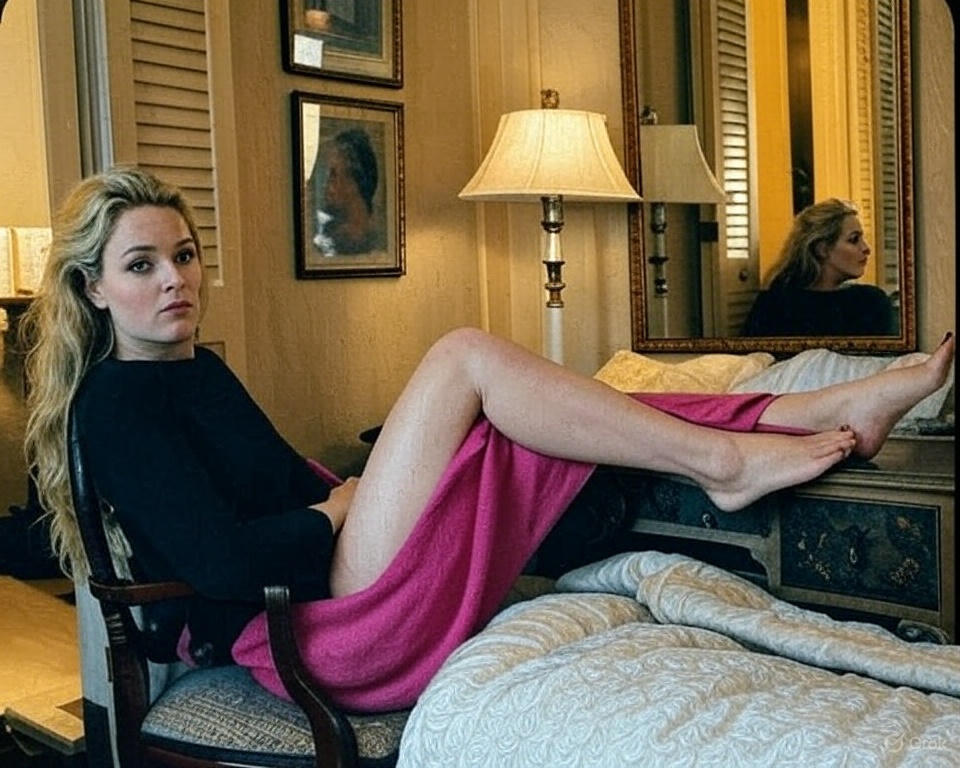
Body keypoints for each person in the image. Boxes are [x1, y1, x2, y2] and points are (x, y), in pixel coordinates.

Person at [21, 167, 953, 712]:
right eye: (141, 265)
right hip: (316, 630)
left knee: (548, 419)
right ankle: (730, 459)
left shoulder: (197, 371)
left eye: (184, 255)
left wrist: (346, 494)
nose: (175, 279)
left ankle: (814, 409)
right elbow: (221, 563)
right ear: (93, 289)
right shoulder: (114, 405)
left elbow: (266, 483)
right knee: (466, 355)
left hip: (337, 573)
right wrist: (335, 509)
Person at [742, 198, 898, 337]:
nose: (866, 248)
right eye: (854, 239)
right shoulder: (774, 304)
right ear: (822, 249)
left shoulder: (870, 302)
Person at [314, 128, 383, 256]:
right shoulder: (322, 239)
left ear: (354, 183)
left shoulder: (377, 247)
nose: (326, 185)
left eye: (333, 175)